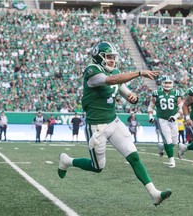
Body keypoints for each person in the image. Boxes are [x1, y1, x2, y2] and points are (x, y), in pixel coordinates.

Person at [57, 41, 171, 206]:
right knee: (97, 167)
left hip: (113, 121)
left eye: (113, 57)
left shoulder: (115, 72)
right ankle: (67, 161)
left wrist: (132, 97)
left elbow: (122, 89)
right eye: (109, 57)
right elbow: (110, 81)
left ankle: (154, 193)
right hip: (97, 126)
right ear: (99, 57)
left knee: (134, 157)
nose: (112, 60)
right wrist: (139, 73)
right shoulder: (92, 71)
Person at [148, 75, 183, 168]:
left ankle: (161, 147)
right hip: (162, 119)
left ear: (172, 83)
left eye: (169, 83)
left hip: (173, 120)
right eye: (165, 83)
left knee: (174, 142)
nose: (167, 85)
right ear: (162, 84)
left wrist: (175, 117)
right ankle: (171, 160)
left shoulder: (176, 93)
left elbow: (181, 108)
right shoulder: (157, 93)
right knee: (168, 141)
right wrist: (151, 116)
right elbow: (150, 106)